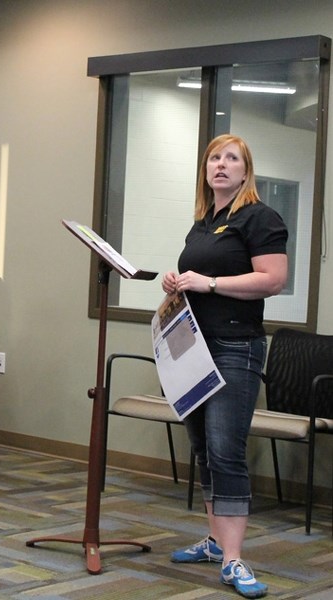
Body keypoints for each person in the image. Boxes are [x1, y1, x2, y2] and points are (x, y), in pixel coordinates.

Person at [163, 134, 287, 599]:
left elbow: (273, 280)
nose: (221, 165)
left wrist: (210, 283)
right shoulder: (203, 223)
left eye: (231, 159)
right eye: (214, 158)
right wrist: (177, 282)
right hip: (192, 347)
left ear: (245, 170)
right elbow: (199, 278)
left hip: (236, 346)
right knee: (202, 447)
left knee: (225, 447)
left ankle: (235, 560)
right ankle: (216, 541)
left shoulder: (260, 218)